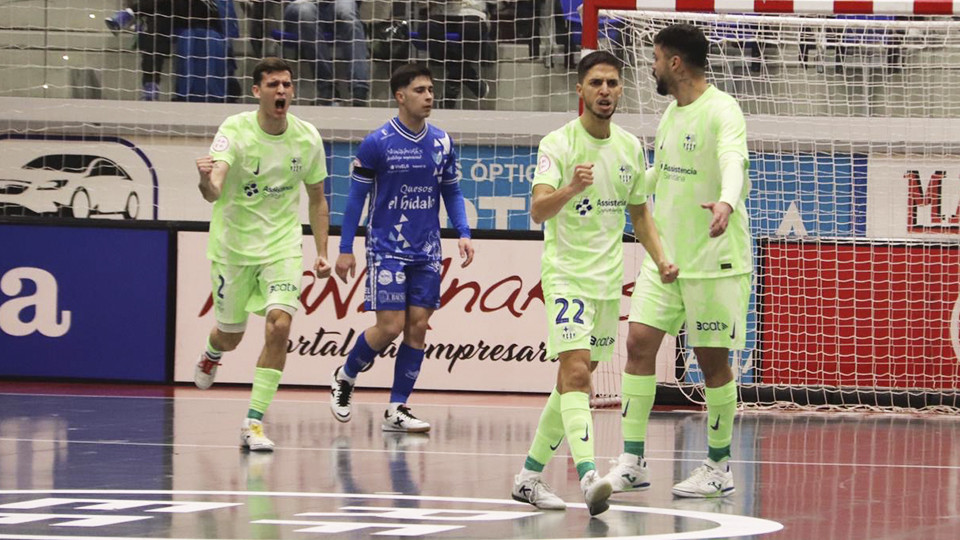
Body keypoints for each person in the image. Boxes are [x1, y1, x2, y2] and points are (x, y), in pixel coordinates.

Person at [510, 50, 678, 517]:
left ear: (620, 89)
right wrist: (570, 188)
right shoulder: (557, 144)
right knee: (579, 376)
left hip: (607, 283)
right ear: (580, 91)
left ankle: (527, 477)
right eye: (596, 83)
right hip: (566, 276)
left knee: (569, 382)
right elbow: (538, 210)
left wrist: (662, 257)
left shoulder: (628, 147)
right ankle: (588, 475)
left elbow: (640, 213)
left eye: (612, 83)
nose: (605, 91)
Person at [603, 23, 752, 499]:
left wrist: (727, 202)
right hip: (666, 260)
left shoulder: (722, 110)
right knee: (639, 343)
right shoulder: (670, 114)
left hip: (714, 261)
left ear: (674, 62)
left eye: (654, 58)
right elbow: (662, 175)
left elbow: (734, 160)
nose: (649, 66)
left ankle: (718, 465)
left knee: (711, 364)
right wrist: (620, 188)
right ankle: (631, 461)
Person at [193, 57, 332, 452]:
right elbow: (214, 190)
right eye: (273, 85)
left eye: (287, 84)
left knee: (279, 325)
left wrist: (321, 250)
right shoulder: (234, 129)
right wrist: (204, 180)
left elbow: (317, 198)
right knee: (230, 336)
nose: (282, 91)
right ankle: (211, 353)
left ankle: (253, 422)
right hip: (233, 246)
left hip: (282, 246)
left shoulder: (307, 138)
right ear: (257, 91)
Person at [330, 62, 475, 434]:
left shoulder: (441, 141)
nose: (429, 96)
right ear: (400, 96)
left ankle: (398, 407)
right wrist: (345, 247)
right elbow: (354, 200)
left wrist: (463, 232)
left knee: (419, 326)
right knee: (390, 326)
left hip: (426, 248)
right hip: (386, 247)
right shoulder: (377, 142)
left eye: (430, 90)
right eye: (420, 90)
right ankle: (346, 375)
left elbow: (452, 191)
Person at [106, 0, 232, 101]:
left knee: (159, 15)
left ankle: (128, 14)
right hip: (170, 11)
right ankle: (151, 85)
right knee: (157, 23)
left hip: (200, 12)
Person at [284, 0, 371, 106]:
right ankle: (327, 88)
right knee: (305, 12)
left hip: (336, 4)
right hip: (301, 4)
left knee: (347, 12)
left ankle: (360, 90)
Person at [420, 0, 492, 108]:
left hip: (473, 12)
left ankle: (451, 88)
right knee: (426, 29)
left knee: (470, 28)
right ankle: (471, 79)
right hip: (441, 12)